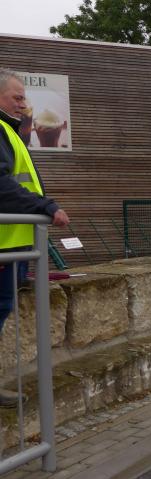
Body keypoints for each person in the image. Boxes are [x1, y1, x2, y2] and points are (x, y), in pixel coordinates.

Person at [0, 69, 70, 407]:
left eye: (24, 98)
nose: (23, 104)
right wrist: (46, 206)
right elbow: (2, 187)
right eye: (17, 97)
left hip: (14, 245)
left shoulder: (11, 132)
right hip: (5, 247)